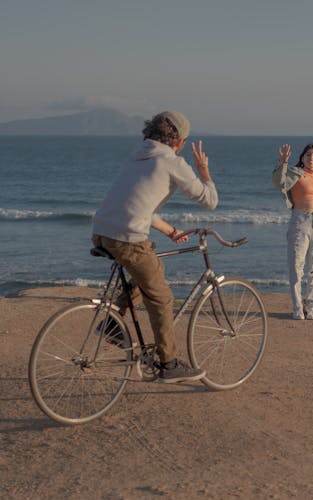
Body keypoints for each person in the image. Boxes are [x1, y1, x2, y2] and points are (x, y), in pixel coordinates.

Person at [92, 110, 218, 383]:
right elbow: (209, 200)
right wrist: (204, 171)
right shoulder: (173, 161)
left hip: (102, 233)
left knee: (151, 268)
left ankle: (112, 323)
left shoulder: (137, 156)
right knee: (162, 298)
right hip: (128, 239)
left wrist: (171, 230)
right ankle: (168, 363)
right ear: (179, 140)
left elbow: (139, 207)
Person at [272, 143, 313, 320]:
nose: (312, 158)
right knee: (296, 267)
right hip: (299, 222)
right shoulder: (295, 173)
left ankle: (312, 308)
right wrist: (283, 163)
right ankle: (297, 308)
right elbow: (278, 182)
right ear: (302, 158)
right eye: (309, 155)